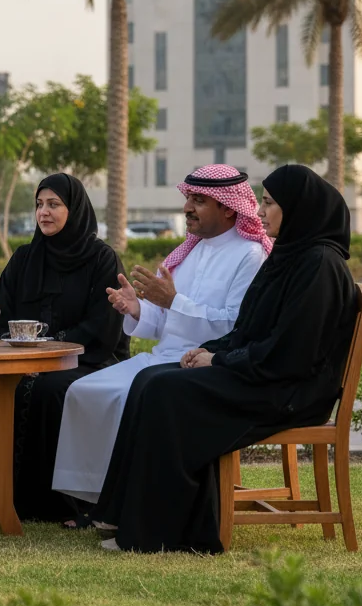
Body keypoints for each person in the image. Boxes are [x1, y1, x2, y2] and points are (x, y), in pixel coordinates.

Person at [91, 164, 358, 553]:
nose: (261, 212)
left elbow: (290, 352)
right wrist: (213, 350)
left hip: (289, 392)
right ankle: (128, 515)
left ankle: (162, 533)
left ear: (298, 208)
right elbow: (249, 328)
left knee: (167, 391)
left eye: (269, 203)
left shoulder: (319, 266)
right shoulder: (290, 257)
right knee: (152, 380)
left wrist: (220, 363)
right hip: (264, 375)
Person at [52, 164, 270, 517]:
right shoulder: (188, 252)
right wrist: (137, 309)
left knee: (126, 397)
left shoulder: (251, 255)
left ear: (229, 207)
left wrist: (172, 301)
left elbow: (235, 327)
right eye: (188, 199)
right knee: (83, 391)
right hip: (163, 357)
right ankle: (96, 499)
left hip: (203, 365)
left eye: (198, 200)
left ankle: (128, 503)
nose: (187, 208)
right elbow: (165, 322)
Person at [0, 174, 129, 521]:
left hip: (86, 359)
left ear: (74, 209)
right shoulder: (24, 258)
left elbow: (102, 327)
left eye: (53, 204)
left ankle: (51, 504)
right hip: (22, 360)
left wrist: (47, 352)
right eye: (39, 205)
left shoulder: (101, 259)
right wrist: (21, 351)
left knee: (51, 391)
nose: (43, 213)